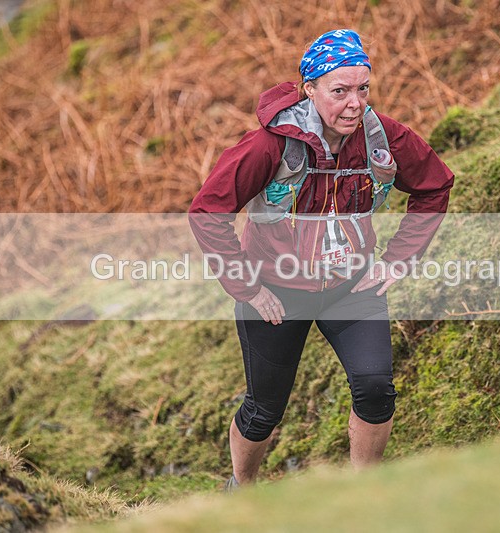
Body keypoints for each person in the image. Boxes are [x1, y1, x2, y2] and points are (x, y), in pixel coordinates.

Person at [188, 29, 454, 491]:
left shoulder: (381, 136)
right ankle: (240, 488)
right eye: (340, 90)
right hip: (276, 292)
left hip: (351, 287)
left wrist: (396, 260)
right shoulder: (269, 146)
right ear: (309, 89)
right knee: (263, 410)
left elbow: (435, 185)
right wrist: (247, 286)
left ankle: (362, 496)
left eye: (363, 88)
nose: (355, 103)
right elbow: (208, 212)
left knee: (376, 390)